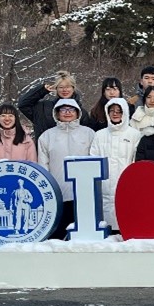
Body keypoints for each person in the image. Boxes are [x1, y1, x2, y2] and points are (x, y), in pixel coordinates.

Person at [38, 98, 95, 240]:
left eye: (71, 109)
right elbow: (43, 165)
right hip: (58, 191)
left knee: (83, 236)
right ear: (57, 113)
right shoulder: (47, 136)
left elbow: (94, 160)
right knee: (58, 236)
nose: (67, 112)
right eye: (63, 110)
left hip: (84, 192)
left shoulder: (89, 134)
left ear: (78, 113)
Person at [88, 98, 139, 234]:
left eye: (119, 111)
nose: (115, 114)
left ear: (125, 113)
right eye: (112, 111)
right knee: (107, 224)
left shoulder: (134, 134)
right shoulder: (99, 135)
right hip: (105, 186)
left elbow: (136, 161)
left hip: (126, 184)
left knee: (125, 221)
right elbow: (93, 159)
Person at [18, 70, 88, 139]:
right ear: (56, 88)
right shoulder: (42, 108)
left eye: (68, 87)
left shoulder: (82, 113)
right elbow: (23, 104)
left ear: (73, 88)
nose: (64, 90)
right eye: (61, 87)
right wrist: (42, 90)